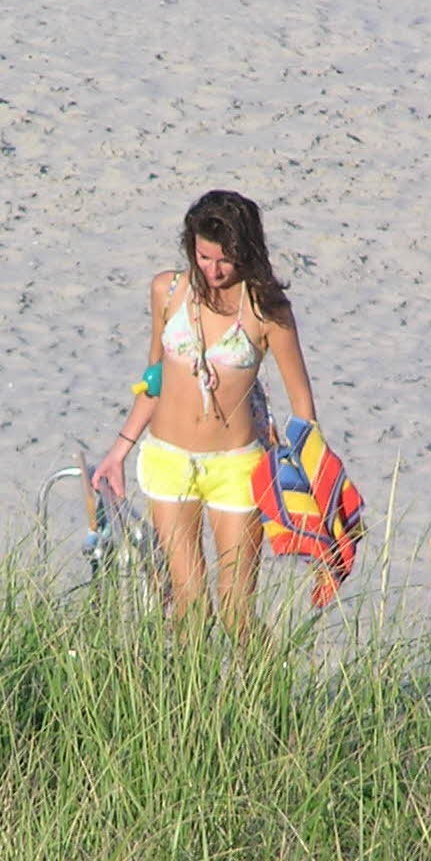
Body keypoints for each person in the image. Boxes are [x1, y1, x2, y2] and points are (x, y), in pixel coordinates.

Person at [92, 190, 318, 637]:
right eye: (203, 257)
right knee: (189, 610)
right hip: (167, 460)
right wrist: (119, 450)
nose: (213, 271)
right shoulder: (168, 290)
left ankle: (266, 701)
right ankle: (189, 705)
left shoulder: (268, 311)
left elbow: (303, 405)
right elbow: (154, 379)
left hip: (237, 466)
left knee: (237, 613)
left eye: (225, 260)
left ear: (246, 252)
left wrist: (309, 477)